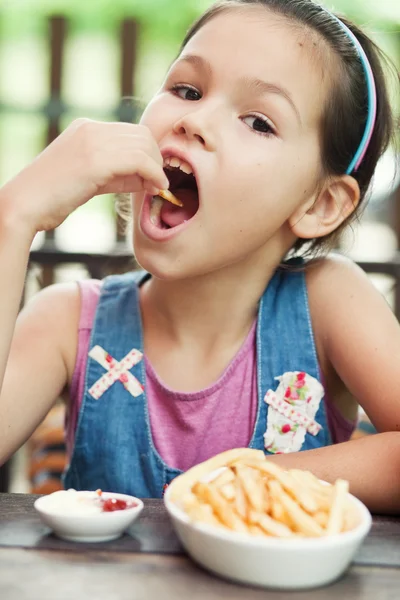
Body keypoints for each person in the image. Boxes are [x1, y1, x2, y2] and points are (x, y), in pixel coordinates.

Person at [0, 0, 400, 512]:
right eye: (187, 90)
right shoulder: (67, 321)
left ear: (319, 204)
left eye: (258, 121)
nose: (194, 120)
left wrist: (240, 480)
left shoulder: (328, 302)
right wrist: (14, 215)